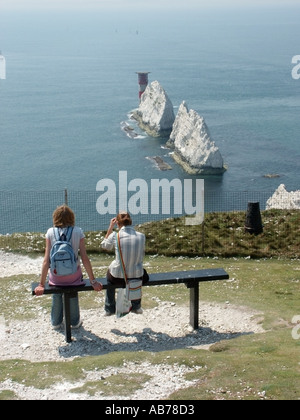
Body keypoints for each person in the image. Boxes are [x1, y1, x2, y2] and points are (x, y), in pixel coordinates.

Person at [34, 205, 103, 329]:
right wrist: (92, 280)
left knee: (56, 292)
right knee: (73, 291)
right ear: (72, 217)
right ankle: (74, 321)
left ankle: (56, 322)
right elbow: (84, 258)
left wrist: (41, 284)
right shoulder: (78, 231)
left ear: (55, 217)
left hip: (56, 277)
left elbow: (46, 261)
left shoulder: (50, 232)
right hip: (73, 277)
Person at [101, 211, 149, 316]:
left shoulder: (115, 236)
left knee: (109, 277)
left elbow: (104, 246)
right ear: (130, 222)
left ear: (117, 223)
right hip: (135, 276)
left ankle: (109, 308)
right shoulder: (141, 236)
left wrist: (110, 227)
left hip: (117, 277)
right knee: (140, 274)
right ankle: (136, 306)